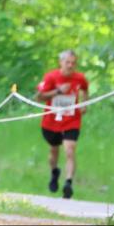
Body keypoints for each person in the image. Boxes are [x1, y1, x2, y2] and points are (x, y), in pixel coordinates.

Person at [36, 49, 90, 199]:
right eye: (68, 62)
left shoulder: (80, 78)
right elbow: (39, 97)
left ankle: (68, 183)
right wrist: (58, 91)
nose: (70, 66)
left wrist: (85, 105)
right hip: (51, 121)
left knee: (69, 150)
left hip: (72, 120)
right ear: (61, 62)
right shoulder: (51, 77)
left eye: (73, 63)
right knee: (54, 151)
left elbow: (85, 90)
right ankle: (54, 172)